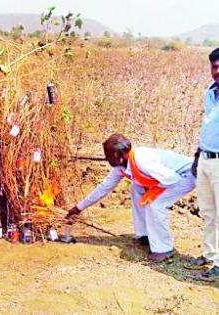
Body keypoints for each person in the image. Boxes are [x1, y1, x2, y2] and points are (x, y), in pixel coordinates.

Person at [66, 134, 195, 262]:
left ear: (120, 154)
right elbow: (103, 188)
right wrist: (78, 208)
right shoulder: (121, 166)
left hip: (187, 174)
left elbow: (171, 178)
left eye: (109, 155)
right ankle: (144, 235)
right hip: (170, 178)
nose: (107, 159)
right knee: (136, 189)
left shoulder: (142, 160)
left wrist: (153, 192)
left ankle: (164, 249)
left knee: (155, 203)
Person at [190, 48, 219, 279]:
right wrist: (197, 155)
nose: (216, 71)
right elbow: (207, 128)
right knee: (208, 212)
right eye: (213, 67)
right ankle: (209, 255)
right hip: (205, 159)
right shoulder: (209, 93)